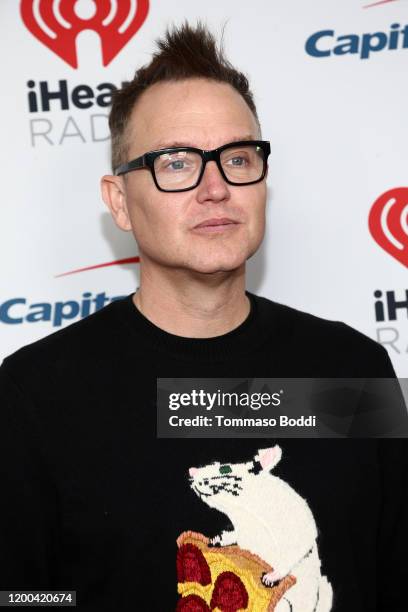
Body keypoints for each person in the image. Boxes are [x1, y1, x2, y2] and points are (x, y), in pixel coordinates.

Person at [0, 22, 406, 612]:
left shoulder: (353, 370)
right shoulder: (35, 395)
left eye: (237, 157)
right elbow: (21, 596)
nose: (216, 187)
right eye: (177, 162)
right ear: (119, 201)